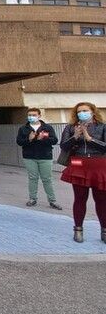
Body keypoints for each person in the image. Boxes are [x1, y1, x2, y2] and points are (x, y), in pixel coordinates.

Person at [59, 102, 106, 243]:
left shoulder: (102, 127)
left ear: (92, 111)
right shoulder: (70, 127)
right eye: (79, 111)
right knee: (80, 198)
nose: (82, 113)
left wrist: (89, 138)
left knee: (101, 199)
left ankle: (104, 230)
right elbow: (63, 146)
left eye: (85, 110)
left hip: (98, 164)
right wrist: (75, 136)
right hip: (79, 163)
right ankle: (78, 230)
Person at [16, 108, 61, 209]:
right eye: (29, 115)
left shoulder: (47, 127)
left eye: (34, 115)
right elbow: (19, 142)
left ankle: (52, 200)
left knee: (47, 179)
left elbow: (54, 140)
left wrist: (43, 139)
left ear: (39, 116)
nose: (31, 117)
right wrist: (29, 139)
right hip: (29, 157)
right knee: (33, 178)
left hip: (45, 156)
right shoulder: (23, 128)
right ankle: (32, 199)